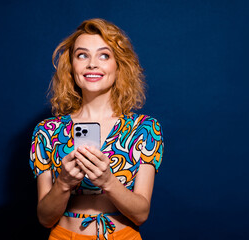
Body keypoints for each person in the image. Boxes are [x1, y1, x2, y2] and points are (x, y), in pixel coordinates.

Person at [29, 18, 164, 240]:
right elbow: (45, 219)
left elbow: (141, 214)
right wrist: (63, 183)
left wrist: (108, 181)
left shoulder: (145, 129)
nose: (92, 64)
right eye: (82, 55)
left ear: (118, 65)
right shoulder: (47, 131)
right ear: (71, 66)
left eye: (104, 55)